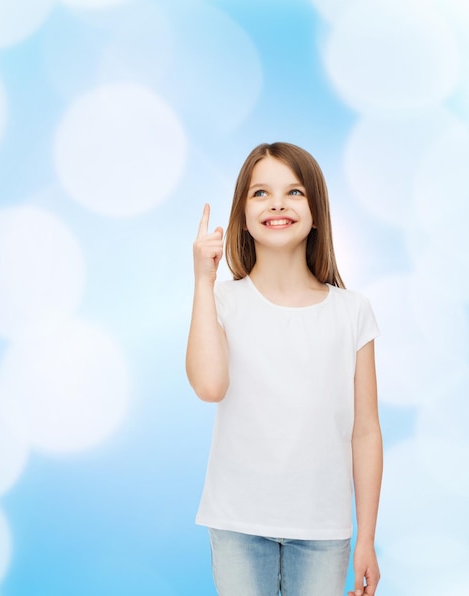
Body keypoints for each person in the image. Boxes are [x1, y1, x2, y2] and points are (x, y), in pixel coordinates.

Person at [186, 142, 382, 596]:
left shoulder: (352, 311)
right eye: (260, 193)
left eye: (294, 192)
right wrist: (201, 280)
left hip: (322, 529)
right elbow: (210, 386)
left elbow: (366, 431)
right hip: (237, 522)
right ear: (242, 214)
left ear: (317, 213)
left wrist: (366, 538)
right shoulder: (221, 300)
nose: (277, 203)